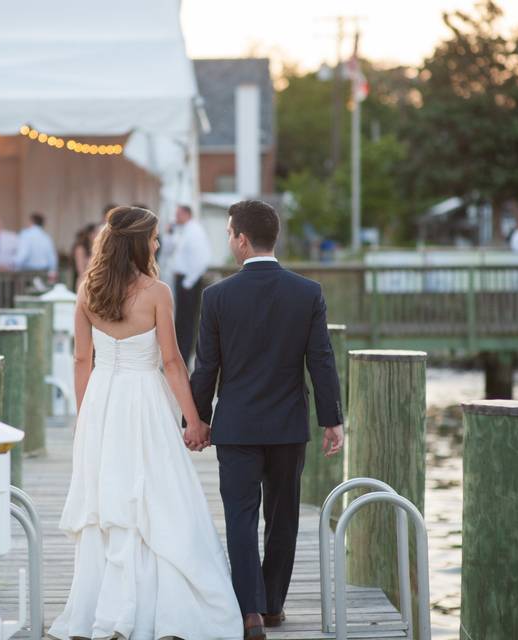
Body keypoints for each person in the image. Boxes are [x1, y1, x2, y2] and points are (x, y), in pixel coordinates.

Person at [49, 206, 243, 640]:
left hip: (102, 399)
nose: (157, 244)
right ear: (139, 243)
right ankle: (160, 606)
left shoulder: (88, 289)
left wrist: (86, 419)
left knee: (111, 498)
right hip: (144, 399)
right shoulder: (156, 293)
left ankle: (103, 607)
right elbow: (172, 363)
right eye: (154, 238)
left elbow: (83, 360)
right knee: (155, 493)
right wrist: (193, 420)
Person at [190, 200, 344, 638]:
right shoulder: (307, 292)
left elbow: (206, 368)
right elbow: (321, 361)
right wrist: (332, 419)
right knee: (283, 517)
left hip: (236, 426)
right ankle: (273, 605)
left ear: (241, 238)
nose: (229, 242)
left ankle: (250, 612)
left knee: (240, 516)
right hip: (288, 426)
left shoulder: (216, 296)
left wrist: (198, 420)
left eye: (229, 235)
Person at [168, 204, 211, 363]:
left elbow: (203, 259)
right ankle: (180, 358)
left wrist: (188, 282)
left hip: (188, 281)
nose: (175, 217)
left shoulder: (195, 231)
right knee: (180, 321)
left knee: (186, 322)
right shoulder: (184, 230)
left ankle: (184, 360)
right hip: (182, 280)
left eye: (178, 214)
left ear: (186, 214)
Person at [14, 212, 58, 278]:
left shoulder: (26, 234)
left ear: (32, 221)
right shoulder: (46, 237)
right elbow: (52, 258)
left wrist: (13, 264)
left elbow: (22, 256)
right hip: (44, 273)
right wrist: (53, 270)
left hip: (28, 273)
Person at [71, 223, 96, 289]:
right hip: (84, 282)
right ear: (89, 234)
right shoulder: (80, 248)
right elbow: (80, 270)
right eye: (96, 232)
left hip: (94, 282)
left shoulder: (96, 249)